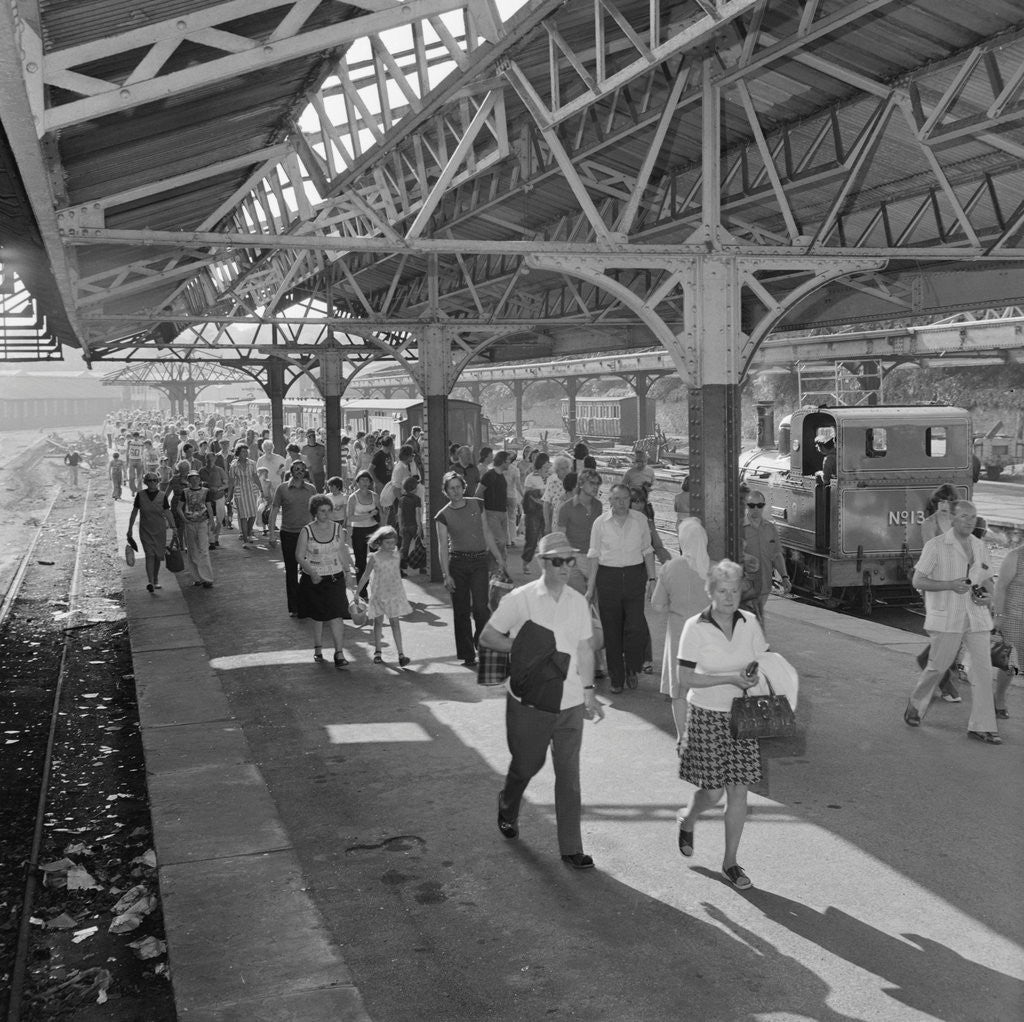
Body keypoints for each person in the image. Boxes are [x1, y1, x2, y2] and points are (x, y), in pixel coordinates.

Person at [480, 531, 602, 870]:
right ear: (543, 563)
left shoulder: (578, 602)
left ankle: (570, 848)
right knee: (526, 765)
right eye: (559, 561)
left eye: (570, 560)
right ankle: (508, 802)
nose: (567, 567)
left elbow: (584, 648)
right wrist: (521, 650)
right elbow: (488, 635)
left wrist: (590, 692)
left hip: (570, 703)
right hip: (530, 703)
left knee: (569, 775)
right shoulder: (520, 599)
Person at [674, 559, 769, 891]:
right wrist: (730, 678)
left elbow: (764, 661)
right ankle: (688, 817)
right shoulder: (694, 627)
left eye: (735, 590)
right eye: (723, 591)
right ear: (711, 592)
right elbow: (684, 678)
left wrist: (756, 674)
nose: (730, 598)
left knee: (739, 791)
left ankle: (731, 861)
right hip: (707, 715)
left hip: (742, 716)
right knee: (713, 792)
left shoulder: (750, 622)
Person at [904, 500, 1001, 744]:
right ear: (953, 519)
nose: (970, 521)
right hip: (948, 617)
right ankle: (916, 704)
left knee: (982, 672)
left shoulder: (979, 546)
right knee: (938, 666)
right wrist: (949, 585)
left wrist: (989, 597)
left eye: (974, 517)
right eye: (965, 517)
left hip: (976, 618)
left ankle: (982, 726)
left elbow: (987, 579)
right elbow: (918, 580)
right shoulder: (936, 546)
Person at [586, 483, 655, 693]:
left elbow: (647, 550)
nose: (621, 503)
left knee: (635, 627)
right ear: (609, 500)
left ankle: (631, 666)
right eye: (616, 499)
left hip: (635, 576)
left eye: (625, 499)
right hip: (608, 578)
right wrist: (590, 588)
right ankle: (617, 677)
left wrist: (652, 579)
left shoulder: (640, 520)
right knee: (612, 629)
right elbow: (594, 555)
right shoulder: (600, 523)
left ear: (630, 500)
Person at [435, 471, 506, 667]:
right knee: (461, 610)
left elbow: (486, 532)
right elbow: (442, 546)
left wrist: (499, 558)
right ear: (446, 491)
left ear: (464, 487)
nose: (456, 491)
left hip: (479, 561)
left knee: (481, 608)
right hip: (457, 564)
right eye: (452, 488)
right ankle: (467, 654)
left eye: (459, 487)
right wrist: (446, 574)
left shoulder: (477, 503)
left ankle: (482, 644)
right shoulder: (442, 516)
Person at [654, 518, 711, 735]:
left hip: (679, 635)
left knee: (679, 692)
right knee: (703, 689)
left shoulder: (670, 568)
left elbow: (657, 606)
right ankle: (702, 736)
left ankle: (681, 738)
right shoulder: (714, 568)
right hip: (707, 636)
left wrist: (673, 605)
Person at [296, 494, 352, 668]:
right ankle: (318, 647)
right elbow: (299, 555)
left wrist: (348, 570)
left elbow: (342, 550)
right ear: (315, 512)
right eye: (322, 511)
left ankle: (339, 653)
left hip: (335, 577)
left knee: (336, 615)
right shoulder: (306, 531)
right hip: (314, 580)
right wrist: (312, 572)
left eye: (329, 510)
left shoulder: (337, 529)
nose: (326, 514)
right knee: (318, 615)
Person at [356, 526, 413, 667]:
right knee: (378, 622)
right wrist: (358, 592)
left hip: (394, 594)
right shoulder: (374, 558)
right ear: (380, 542)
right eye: (387, 542)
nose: (391, 545)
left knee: (395, 623)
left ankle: (401, 654)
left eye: (393, 542)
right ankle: (378, 652)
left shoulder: (396, 555)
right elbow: (365, 575)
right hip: (379, 594)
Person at [268, 461, 317, 617]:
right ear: (291, 471)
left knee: (309, 570)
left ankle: (308, 603)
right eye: (297, 469)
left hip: (308, 534)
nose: (300, 471)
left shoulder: (311, 489)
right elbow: (274, 510)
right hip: (288, 533)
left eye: (302, 469)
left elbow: (318, 512)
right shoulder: (282, 489)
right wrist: (271, 533)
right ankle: (294, 607)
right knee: (291, 570)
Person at [741, 489, 791, 628]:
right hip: (746, 585)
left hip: (764, 585)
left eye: (759, 505)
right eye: (752, 505)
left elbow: (776, 554)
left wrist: (784, 577)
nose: (755, 509)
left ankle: (756, 645)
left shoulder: (770, 528)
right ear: (746, 505)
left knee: (756, 617)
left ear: (764, 506)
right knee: (751, 619)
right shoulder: (739, 528)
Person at [127, 472, 178, 593]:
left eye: (154, 480)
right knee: (150, 555)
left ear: (158, 482)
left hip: (159, 530)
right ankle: (150, 582)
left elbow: (167, 512)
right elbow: (134, 512)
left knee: (157, 556)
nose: (152, 482)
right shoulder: (140, 495)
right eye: (149, 480)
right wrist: (129, 529)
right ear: (146, 482)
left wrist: (174, 527)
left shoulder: (162, 496)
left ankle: (155, 579)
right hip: (145, 530)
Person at [556, 467, 603, 597]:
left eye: (597, 484)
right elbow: (560, 538)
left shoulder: (598, 506)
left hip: (593, 558)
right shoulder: (566, 508)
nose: (595, 487)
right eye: (592, 483)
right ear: (581, 484)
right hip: (574, 559)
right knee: (579, 599)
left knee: (592, 599)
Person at [992, 536, 1023, 719]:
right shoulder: (1016, 556)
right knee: (1009, 664)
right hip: (1014, 619)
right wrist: (999, 616)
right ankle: (999, 698)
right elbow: (1000, 586)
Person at [180, 471, 215, 588]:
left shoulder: (206, 491)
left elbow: (209, 506)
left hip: (202, 522)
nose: (194, 480)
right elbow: (178, 507)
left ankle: (207, 578)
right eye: (192, 478)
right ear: (189, 481)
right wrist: (184, 519)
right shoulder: (185, 492)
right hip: (190, 523)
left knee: (203, 549)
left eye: (196, 478)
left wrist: (212, 520)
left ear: (199, 479)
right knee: (192, 550)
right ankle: (197, 577)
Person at [477, 450, 511, 568]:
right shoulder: (489, 475)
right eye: (508, 461)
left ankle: (500, 567)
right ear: (502, 462)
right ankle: (490, 564)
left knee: (503, 542)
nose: (509, 463)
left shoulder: (501, 475)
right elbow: (478, 493)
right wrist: (483, 510)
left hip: (502, 512)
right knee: (499, 541)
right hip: (491, 512)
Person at [347, 471, 382, 581]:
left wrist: (383, 514)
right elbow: (351, 517)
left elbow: (380, 514)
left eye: (367, 480)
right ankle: (362, 592)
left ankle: (378, 587)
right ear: (357, 482)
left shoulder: (375, 496)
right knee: (360, 560)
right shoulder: (352, 498)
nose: (364, 482)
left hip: (374, 530)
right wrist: (369, 515)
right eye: (362, 480)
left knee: (377, 559)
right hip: (358, 531)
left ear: (370, 482)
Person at [521, 452, 550, 573]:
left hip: (548, 510)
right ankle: (525, 563)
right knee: (531, 539)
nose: (549, 464)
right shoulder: (531, 477)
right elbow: (526, 496)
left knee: (547, 539)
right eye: (547, 462)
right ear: (541, 463)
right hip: (534, 512)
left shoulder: (552, 476)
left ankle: (547, 567)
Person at [200, 452, 229, 549]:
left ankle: (216, 538)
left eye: (211, 458)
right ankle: (212, 541)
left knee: (219, 520)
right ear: (205, 459)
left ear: (215, 459)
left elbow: (226, 484)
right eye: (208, 459)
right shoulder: (201, 471)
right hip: (206, 499)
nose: (210, 460)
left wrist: (219, 489)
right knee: (209, 520)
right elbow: (197, 483)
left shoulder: (220, 470)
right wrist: (204, 485)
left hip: (219, 497)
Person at [397, 476, 423, 573]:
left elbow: (399, 514)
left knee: (404, 547)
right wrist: (419, 526)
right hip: (414, 525)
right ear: (415, 488)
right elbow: (417, 513)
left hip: (404, 526)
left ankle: (400, 564)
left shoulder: (401, 499)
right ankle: (420, 565)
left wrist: (400, 526)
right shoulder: (416, 499)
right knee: (420, 545)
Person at [542, 456, 572, 533]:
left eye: (567, 467)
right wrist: (547, 524)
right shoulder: (553, 482)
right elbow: (546, 504)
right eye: (563, 468)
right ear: (557, 470)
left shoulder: (574, 481)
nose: (566, 470)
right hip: (558, 522)